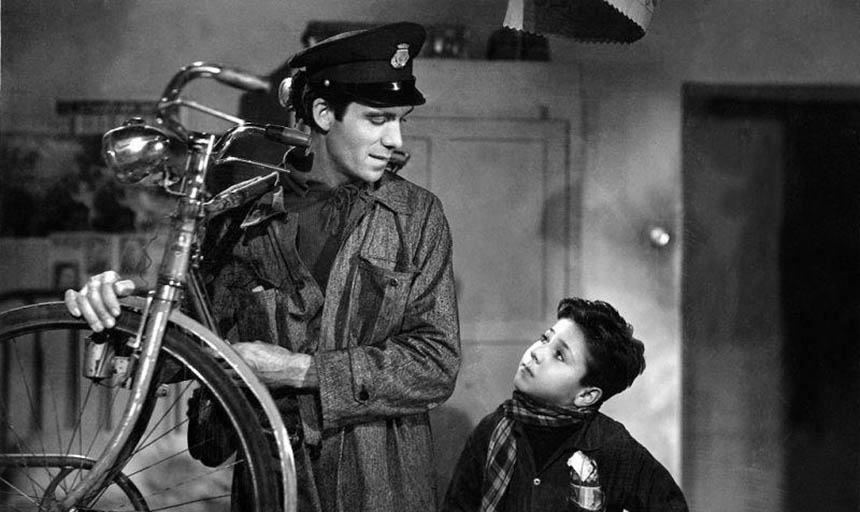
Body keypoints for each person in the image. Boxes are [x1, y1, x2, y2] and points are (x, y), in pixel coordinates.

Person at [64, 22, 461, 512]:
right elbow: (179, 347)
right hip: (271, 482)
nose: (395, 139)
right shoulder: (236, 219)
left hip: (383, 489)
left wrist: (300, 370)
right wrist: (113, 318)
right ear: (322, 113)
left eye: (401, 120)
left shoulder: (416, 217)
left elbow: (436, 364)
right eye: (377, 119)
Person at [442, 297, 688, 512]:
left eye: (559, 355)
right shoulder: (491, 431)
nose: (537, 352)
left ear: (586, 395)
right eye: (544, 339)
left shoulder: (610, 446)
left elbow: (669, 505)